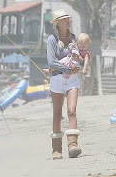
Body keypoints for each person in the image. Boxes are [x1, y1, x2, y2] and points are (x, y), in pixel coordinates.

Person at [47, 9, 82, 160]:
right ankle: (56, 149)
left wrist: (79, 63)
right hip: (56, 79)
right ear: (57, 23)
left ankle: (73, 145)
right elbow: (51, 62)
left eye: (68, 18)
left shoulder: (74, 38)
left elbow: (79, 57)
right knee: (57, 114)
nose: (68, 20)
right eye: (64, 18)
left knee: (72, 111)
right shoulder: (52, 39)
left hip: (72, 78)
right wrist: (68, 68)